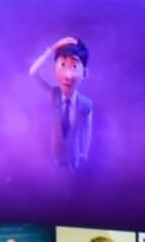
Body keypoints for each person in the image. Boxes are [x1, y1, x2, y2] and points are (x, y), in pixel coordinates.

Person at [28, 36, 102, 168]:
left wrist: (84, 152)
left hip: (74, 159)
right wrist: (52, 49)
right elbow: (33, 73)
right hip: (54, 157)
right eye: (63, 65)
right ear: (54, 69)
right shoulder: (54, 94)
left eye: (74, 67)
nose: (68, 76)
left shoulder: (86, 104)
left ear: (85, 73)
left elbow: (87, 130)